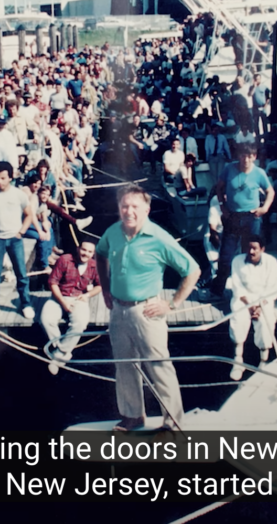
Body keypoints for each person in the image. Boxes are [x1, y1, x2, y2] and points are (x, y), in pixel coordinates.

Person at [96, 185, 199, 431]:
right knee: (124, 366)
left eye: (134, 207)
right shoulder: (113, 232)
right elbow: (100, 254)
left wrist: (172, 303)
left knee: (159, 368)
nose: (128, 211)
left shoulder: (159, 237)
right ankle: (133, 416)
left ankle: (173, 425)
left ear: (146, 210)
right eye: (124, 206)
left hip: (147, 312)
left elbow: (192, 270)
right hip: (118, 311)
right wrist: (105, 288)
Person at [212, 142, 274, 295]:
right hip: (232, 216)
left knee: (251, 253)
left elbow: (270, 192)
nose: (245, 159)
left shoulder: (259, 173)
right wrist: (222, 206)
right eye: (242, 155)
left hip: (251, 218)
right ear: (238, 156)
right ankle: (217, 291)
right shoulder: (229, 169)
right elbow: (219, 187)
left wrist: (264, 208)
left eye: (249, 156)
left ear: (254, 157)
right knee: (226, 255)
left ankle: (250, 290)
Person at [0, 162, 35, 320]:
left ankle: (26, 303)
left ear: (10, 177)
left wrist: (22, 231)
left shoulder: (19, 194)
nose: (0, 182)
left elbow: (29, 214)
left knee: (21, 273)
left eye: (3, 178)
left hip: (15, 239)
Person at [225, 234, 277, 380]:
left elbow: (273, 288)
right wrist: (250, 306)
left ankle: (263, 362)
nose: (251, 251)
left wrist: (259, 306)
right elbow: (237, 285)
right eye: (249, 248)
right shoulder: (237, 260)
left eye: (255, 248)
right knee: (238, 318)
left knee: (265, 322)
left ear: (262, 249)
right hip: (243, 299)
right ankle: (238, 361)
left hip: (264, 301)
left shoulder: (271, 262)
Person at [41, 240, 101, 372]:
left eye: (90, 252)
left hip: (79, 298)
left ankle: (59, 353)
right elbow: (53, 283)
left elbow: (100, 285)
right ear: (78, 248)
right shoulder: (64, 260)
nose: (86, 253)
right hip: (59, 297)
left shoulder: (95, 266)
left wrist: (87, 295)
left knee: (80, 323)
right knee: (46, 319)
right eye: (84, 250)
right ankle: (64, 352)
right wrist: (63, 302)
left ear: (93, 253)